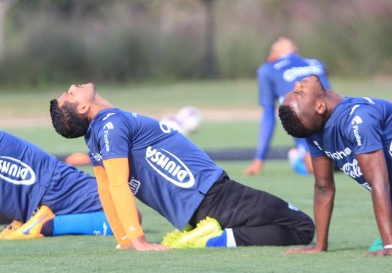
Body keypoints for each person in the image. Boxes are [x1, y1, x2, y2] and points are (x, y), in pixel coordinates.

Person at [49, 83, 315, 251]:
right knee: (301, 226)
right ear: (83, 107)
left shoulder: (97, 132)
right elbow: (116, 186)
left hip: (197, 207)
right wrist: (137, 239)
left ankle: (209, 235)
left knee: (285, 226)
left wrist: (124, 239)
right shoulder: (111, 123)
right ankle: (210, 240)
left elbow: (105, 189)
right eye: (71, 93)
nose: (74, 85)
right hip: (213, 195)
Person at [278, 75, 392, 257]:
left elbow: (380, 183)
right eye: (299, 92)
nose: (297, 84)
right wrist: (319, 246)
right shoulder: (316, 133)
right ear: (319, 107)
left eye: (296, 89)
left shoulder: (359, 116)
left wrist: (388, 246)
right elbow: (323, 188)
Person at [244, 37, 332, 176]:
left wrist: (258, 159)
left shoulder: (268, 68)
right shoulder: (269, 70)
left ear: (273, 54)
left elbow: (268, 116)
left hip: (330, 121)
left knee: (340, 162)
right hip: (306, 128)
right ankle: (297, 157)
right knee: (317, 168)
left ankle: (301, 156)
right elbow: (269, 113)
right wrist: (259, 159)